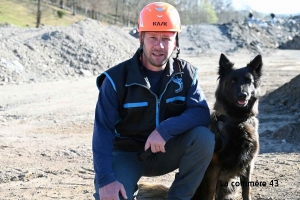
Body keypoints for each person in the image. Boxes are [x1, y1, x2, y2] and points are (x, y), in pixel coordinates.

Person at [92, 2, 215, 200]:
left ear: (175, 41)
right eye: (152, 38)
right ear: (141, 37)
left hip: (167, 150)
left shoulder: (186, 75)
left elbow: (201, 112)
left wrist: (165, 130)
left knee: (203, 138)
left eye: (166, 38)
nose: (159, 46)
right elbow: (102, 132)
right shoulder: (115, 80)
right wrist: (105, 180)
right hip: (127, 155)